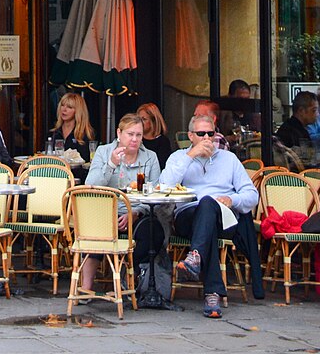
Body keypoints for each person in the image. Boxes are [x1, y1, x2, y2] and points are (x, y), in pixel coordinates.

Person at [160, 111, 263, 318]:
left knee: (209, 207)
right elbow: (164, 187)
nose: (207, 138)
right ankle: (211, 292)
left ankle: (197, 262)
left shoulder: (229, 159)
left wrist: (232, 200)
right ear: (190, 136)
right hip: (187, 215)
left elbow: (252, 195)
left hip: (224, 216)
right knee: (206, 212)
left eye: (211, 133)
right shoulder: (179, 157)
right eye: (201, 134)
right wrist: (191, 156)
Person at [81, 113, 163, 291]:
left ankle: (129, 275)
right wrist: (111, 164)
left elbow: (156, 193)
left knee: (153, 231)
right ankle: (85, 288)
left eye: (139, 135)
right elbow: (90, 185)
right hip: (106, 211)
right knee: (96, 232)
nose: (134, 139)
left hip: (137, 212)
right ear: (119, 133)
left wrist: (135, 213)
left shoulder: (150, 157)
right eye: (130, 134)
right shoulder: (104, 152)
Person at [48, 92, 94, 179]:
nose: (64, 110)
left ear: (78, 111)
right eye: (62, 105)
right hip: (55, 176)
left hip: (77, 178)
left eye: (69, 107)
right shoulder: (54, 133)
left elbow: (86, 162)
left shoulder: (85, 135)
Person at [276, 91, 319, 168]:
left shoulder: (291, 127)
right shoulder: (293, 132)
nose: (317, 114)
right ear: (301, 111)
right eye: (314, 110)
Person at [138, 102, 173, 170]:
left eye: (144, 119)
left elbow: (162, 167)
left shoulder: (162, 142)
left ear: (153, 121)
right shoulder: (136, 139)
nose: (140, 122)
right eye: (138, 119)